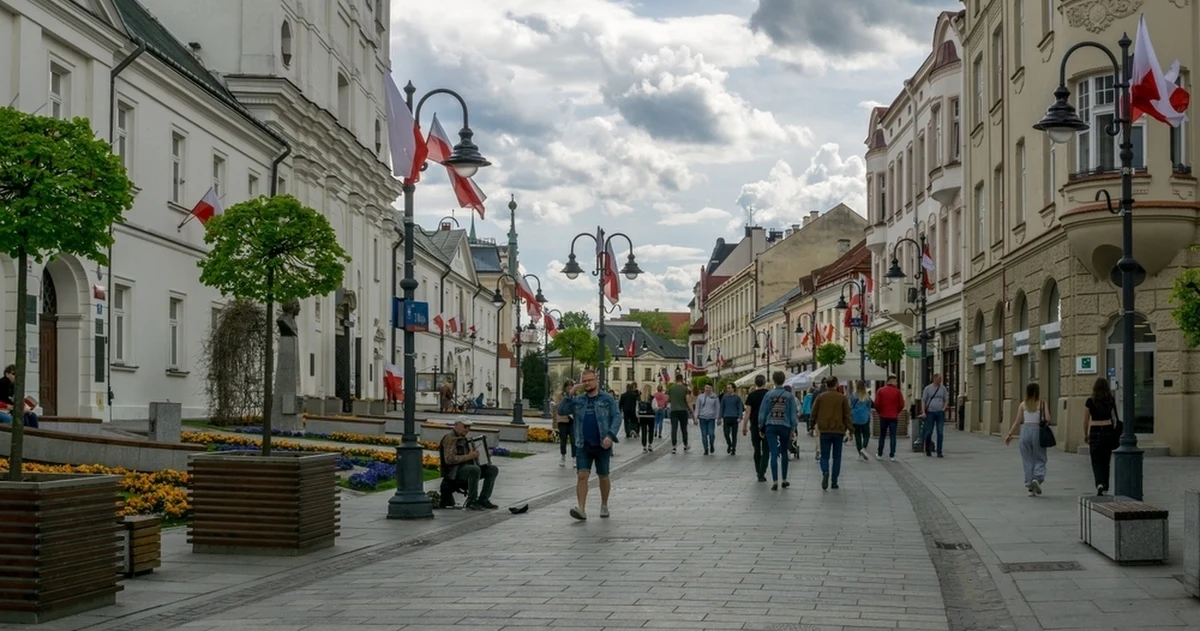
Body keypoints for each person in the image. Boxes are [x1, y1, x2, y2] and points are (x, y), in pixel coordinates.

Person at [558, 368, 621, 520]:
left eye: (589, 380)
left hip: (602, 444)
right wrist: (571, 392)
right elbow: (562, 411)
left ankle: (604, 504)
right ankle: (581, 508)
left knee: (603, 476)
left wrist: (610, 436)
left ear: (596, 380)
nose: (586, 383)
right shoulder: (579, 400)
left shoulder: (607, 399)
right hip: (583, 444)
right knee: (582, 475)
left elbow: (617, 417)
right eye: (584, 381)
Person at [438, 418, 499, 510]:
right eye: (465, 426)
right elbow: (449, 459)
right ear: (457, 425)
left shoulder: (464, 439)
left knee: (492, 469)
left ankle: (483, 499)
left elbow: (470, 456)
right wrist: (469, 456)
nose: (467, 429)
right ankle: (471, 501)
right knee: (474, 469)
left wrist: (484, 454)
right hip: (454, 472)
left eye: (469, 427)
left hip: (466, 468)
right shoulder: (450, 439)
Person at [1005, 382, 1050, 497]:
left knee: (1027, 460)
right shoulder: (1042, 403)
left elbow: (1017, 421)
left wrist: (1010, 434)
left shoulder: (1022, 405)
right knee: (1040, 457)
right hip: (1037, 432)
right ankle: (1037, 477)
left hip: (1025, 432)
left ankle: (1030, 486)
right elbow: (1048, 419)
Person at [757, 371, 797, 491]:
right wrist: (793, 428)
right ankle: (784, 479)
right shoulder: (789, 396)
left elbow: (762, 412)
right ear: (784, 380)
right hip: (784, 426)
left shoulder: (768, 395)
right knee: (784, 452)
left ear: (773, 381)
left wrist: (761, 426)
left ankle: (774, 481)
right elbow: (793, 414)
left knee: (773, 453)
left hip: (771, 426)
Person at [812, 375, 852, 490]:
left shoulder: (820, 397)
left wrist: (811, 425)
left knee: (824, 456)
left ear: (826, 385)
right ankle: (834, 482)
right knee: (837, 457)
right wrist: (851, 429)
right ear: (836, 384)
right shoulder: (842, 398)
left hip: (824, 430)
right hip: (838, 431)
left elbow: (814, 412)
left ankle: (825, 471)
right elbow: (847, 415)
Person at [1084, 377, 1118, 496]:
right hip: (1108, 430)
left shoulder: (1090, 401)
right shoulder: (1111, 400)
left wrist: (1085, 434)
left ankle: (1099, 483)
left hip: (1095, 431)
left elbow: (1086, 419)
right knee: (1106, 460)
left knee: (1096, 460)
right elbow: (1115, 418)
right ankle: (1105, 485)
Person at [741, 374, 770, 481]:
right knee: (766, 449)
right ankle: (763, 470)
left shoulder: (751, 395)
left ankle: (758, 471)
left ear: (755, 383)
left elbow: (747, 412)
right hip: (767, 425)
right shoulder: (769, 394)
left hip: (754, 425)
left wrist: (744, 426)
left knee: (756, 449)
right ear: (764, 382)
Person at [874, 375, 904, 461]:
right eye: (895, 381)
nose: (896, 383)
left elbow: (876, 404)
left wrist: (880, 412)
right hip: (893, 417)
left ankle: (880, 453)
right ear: (891, 381)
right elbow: (902, 404)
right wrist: (896, 411)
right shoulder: (897, 392)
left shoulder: (880, 391)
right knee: (893, 436)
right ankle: (892, 455)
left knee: (882, 435)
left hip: (883, 416)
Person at [921, 373, 950, 457]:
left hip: (939, 413)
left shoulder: (943, 388)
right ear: (934, 378)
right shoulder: (928, 388)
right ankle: (928, 449)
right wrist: (923, 412)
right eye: (939, 378)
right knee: (929, 432)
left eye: (941, 378)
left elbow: (946, 399)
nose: (940, 380)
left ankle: (939, 451)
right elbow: (923, 400)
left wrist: (944, 408)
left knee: (940, 432)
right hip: (930, 412)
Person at [667, 373, 693, 454]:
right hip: (683, 410)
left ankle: (674, 447)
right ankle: (685, 445)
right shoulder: (685, 389)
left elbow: (667, 399)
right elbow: (688, 401)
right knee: (684, 429)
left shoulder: (671, 388)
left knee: (674, 429)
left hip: (674, 410)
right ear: (682, 379)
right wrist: (692, 411)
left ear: (676, 379)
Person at [553, 379, 576, 467]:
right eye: (568, 388)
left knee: (574, 440)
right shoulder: (560, 396)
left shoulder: (576, 395)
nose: (570, 390)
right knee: (563, 440)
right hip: (563, 420)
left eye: (571, 388)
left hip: (573, 421)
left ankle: (574, 458)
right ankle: (563, 456)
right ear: (565, 388)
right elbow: (557, 408)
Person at [694, 383, 720, 455]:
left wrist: (718, 418)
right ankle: (705, 449)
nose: (708, 389)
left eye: (709, 388)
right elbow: (697, 408)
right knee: (704, 434)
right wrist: (695, 418)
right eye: (706, 388)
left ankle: (711, 444)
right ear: (704, 388)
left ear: (712, 388)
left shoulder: (715, 397)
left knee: (711, 433)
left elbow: (717, 408)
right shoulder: (700, 397)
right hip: (702, 418)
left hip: (711, 418)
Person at [850, 380, 873, 461]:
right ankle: (863, 448)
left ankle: (859, 454)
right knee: (866, 434)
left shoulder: (853, 395)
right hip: (865, 418)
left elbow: (851, 405)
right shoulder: (867, 396)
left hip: (855, 418)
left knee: (857, 436)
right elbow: (869, 406)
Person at [719, 384, 743, 456]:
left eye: (729, 388)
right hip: (726, 417)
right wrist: (719, 417)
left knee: (734, 434)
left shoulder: (737, 398)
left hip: (734, 418)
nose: (728, 389)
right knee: (726, 433)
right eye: (727, 388)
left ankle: (733, 449)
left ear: (733, 389)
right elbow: (721, 408)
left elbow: (740, 408)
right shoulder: (724, 398)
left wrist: (739, 417)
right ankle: (729, 444)